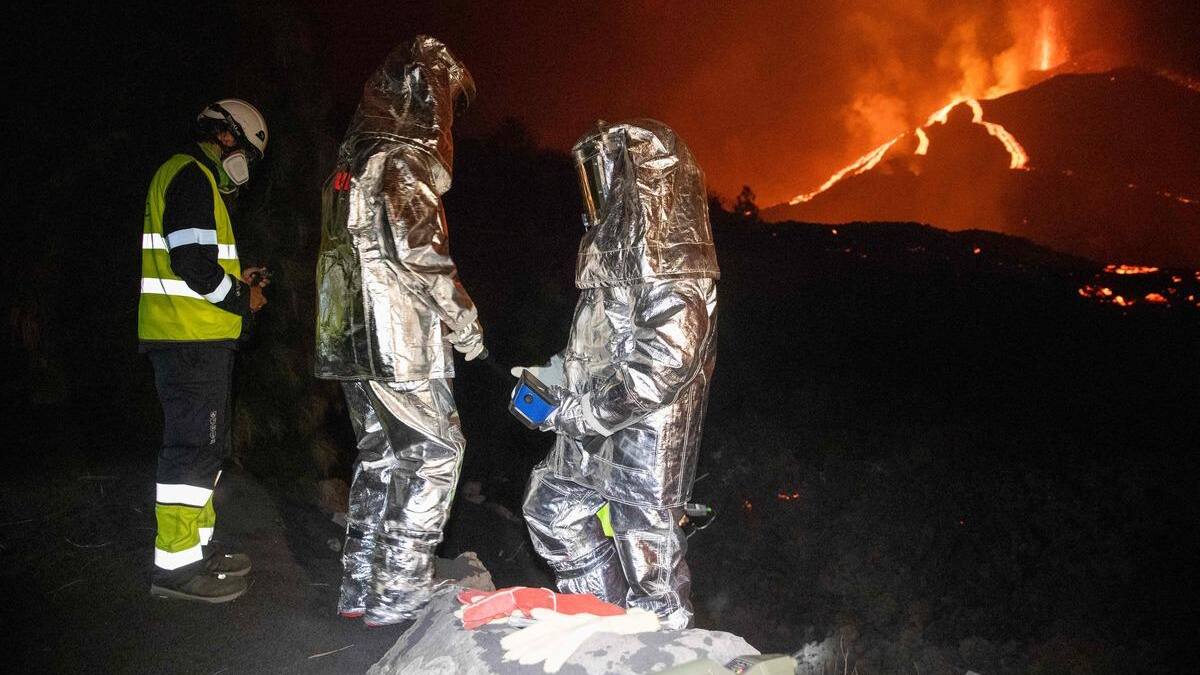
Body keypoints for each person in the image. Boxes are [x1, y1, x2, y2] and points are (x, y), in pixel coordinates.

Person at [517, 119, 720, 630]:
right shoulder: (617, 259)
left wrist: (576, 410)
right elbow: (596, 343)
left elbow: (659, 368)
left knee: (649, 562)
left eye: (604, 174)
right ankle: (602, 619)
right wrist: (557, 376)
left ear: (641, 181)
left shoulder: (674, 268)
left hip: (644, 442)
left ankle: (658, 646)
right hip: (591, 432)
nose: (594, 193)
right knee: (550, 510)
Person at [314, 36, 484, 626]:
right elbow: (420, 252)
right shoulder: (402, 161)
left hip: (348, 341)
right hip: (397, 343)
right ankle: (399, 591)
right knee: (436, 453)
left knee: (381, 455)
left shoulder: (352, 165)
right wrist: (465, 321)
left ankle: (361, 585)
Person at [139, 98, 269, 602]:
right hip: (189, 342)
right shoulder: (192, 175)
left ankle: (198, 551)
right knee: (192, 452)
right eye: (250, 158)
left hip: (192, 340)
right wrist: (243, 297)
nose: (247, 172)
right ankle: (174, 569)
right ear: (229, 137)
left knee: (205, 451)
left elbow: (194, 264)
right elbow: (192, 263)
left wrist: (238, 281)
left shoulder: (192, 179)